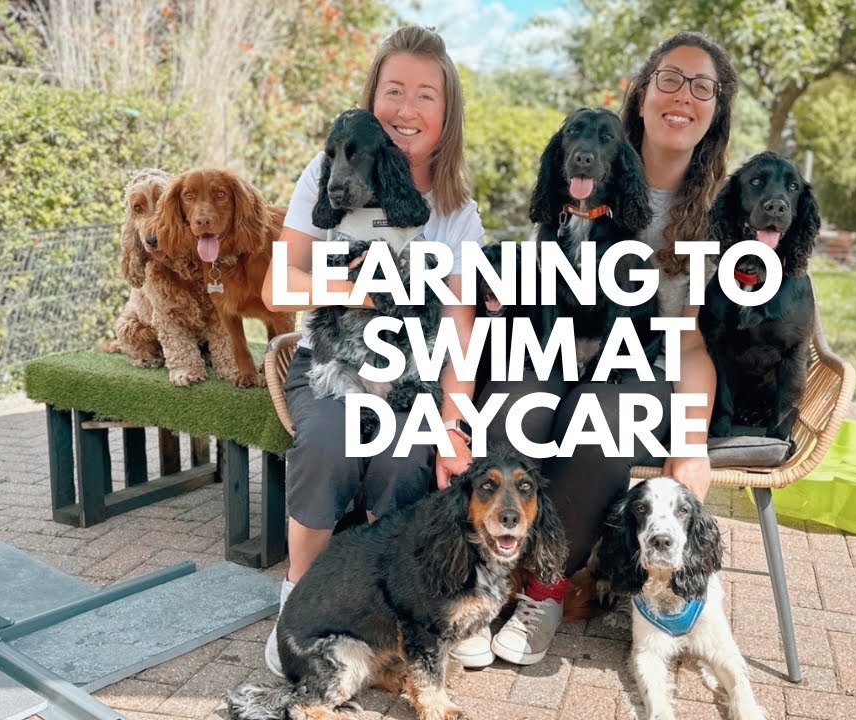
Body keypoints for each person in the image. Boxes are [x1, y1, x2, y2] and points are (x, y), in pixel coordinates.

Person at [478, 32, 739, 665]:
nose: (684, 96)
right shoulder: (580, 174)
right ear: (643, 95)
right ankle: (481, 584)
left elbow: (696, 344)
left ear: (716, 110)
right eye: (670, 79)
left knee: (599, 422)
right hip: (561, 346)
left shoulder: (719, 213)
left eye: (703, 86)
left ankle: (544, 591)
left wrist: (692, 440)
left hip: (648, 362)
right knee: (513, 403)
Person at [260, 25, 484, 675]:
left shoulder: (455, 210)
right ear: (372, 97)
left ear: (446, 117)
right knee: (330, 442)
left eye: (424, 95)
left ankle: (395, 607)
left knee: (403, 458)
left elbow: (462, 325)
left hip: (413, 370)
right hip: (331, 362)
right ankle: (299, 604)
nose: (406, 109)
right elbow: (280, 281)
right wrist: (361, 281)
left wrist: (452, 422)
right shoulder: (327, 168)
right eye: (393, 91)